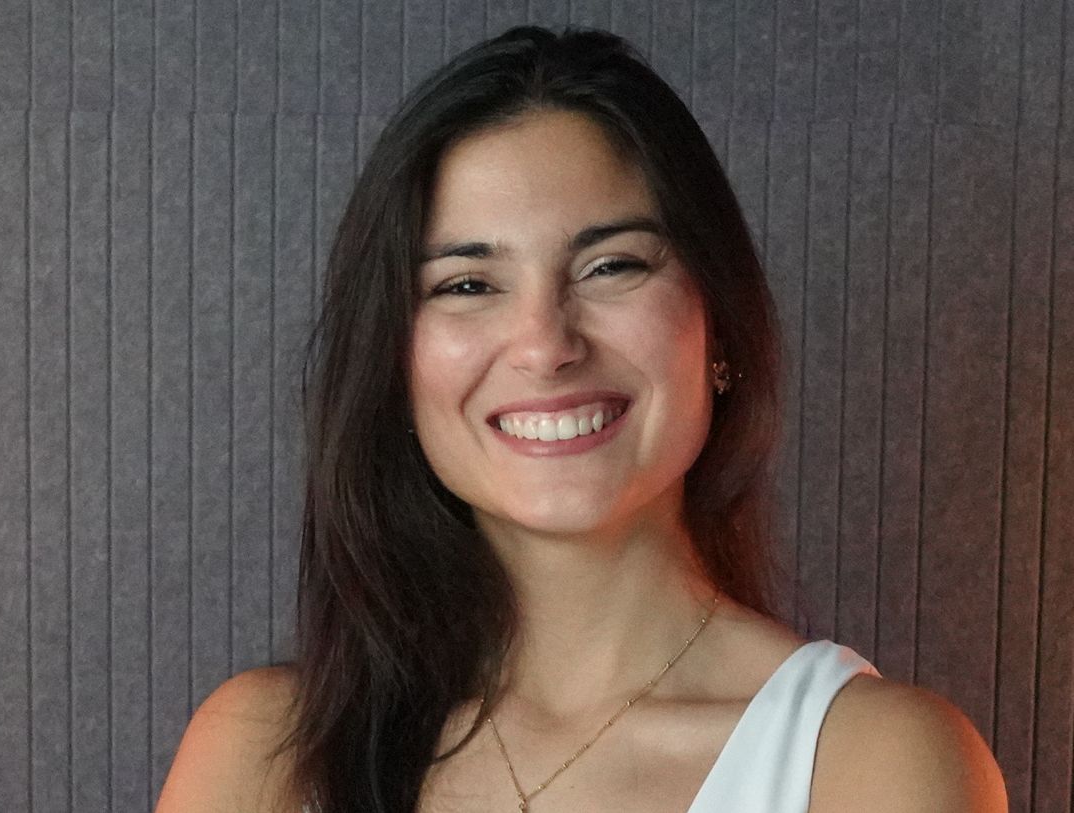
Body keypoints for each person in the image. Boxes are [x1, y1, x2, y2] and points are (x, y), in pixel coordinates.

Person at [156, 25, 1007, 812]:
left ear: (719, 327)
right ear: (393, 364)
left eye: (611, 266)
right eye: (466, 284)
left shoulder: (873, 761)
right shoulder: (266, 749)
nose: (544, 344)